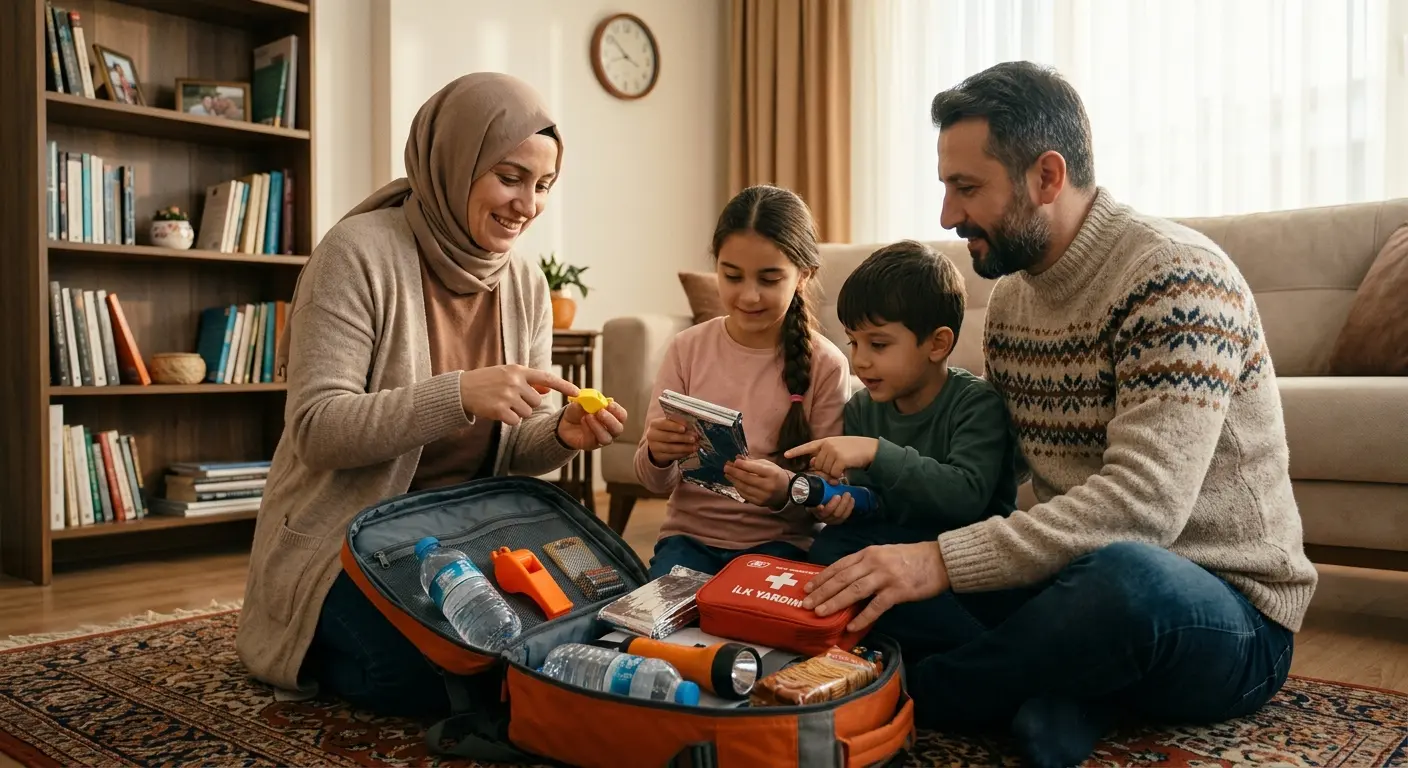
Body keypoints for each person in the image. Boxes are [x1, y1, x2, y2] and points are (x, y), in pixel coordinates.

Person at [798, 61, 1318, 767]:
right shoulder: (1011, 302)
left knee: (1127, 581)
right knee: (851, 561)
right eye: (946, 187)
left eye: (967, 188)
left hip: (1220, 610)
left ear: (1047, 177)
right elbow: (992, 488)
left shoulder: (1178, 280)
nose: (948, 215)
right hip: (1067, 581)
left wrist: (939, 562)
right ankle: (1057, 694)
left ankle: (926, 690)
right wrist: (878, 523)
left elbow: (1144, 510)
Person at [234, 73, 629, 719]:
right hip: (351, 537)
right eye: (509, 176)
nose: (526, 204)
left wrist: (560, 435)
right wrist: (458, 395)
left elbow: (519, 449)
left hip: (469, 533)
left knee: (582, 625)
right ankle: (289, 632)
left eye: (543, 186)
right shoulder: (355, 254)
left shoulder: (524, 279)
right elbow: (317, 428)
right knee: (421, 680)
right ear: (454, 161)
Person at [787, 239, 1021, 654]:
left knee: (1012, 597)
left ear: (937, 344)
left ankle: (979, 654)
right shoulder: (862, 407)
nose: (859, 361)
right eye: (853, 342)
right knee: (828, 549)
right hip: (897, 544)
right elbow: (879, 504)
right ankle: (904, 645)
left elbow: (965, 497)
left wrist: (877, 452)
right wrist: (846, 502)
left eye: (878, 345)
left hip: (965, 557)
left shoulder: (976, 404)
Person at [635, 185, 852, 578]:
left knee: (755, 629)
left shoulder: (827, 365)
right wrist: (657, 453)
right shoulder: (686, 349)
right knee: (654, 630)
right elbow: (653, 481)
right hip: (688, 540)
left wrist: (785, 490)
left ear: (804, 275)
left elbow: (829, 492)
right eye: (732, 276)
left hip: (781, 545)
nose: (749, 296)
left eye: (769, 279)